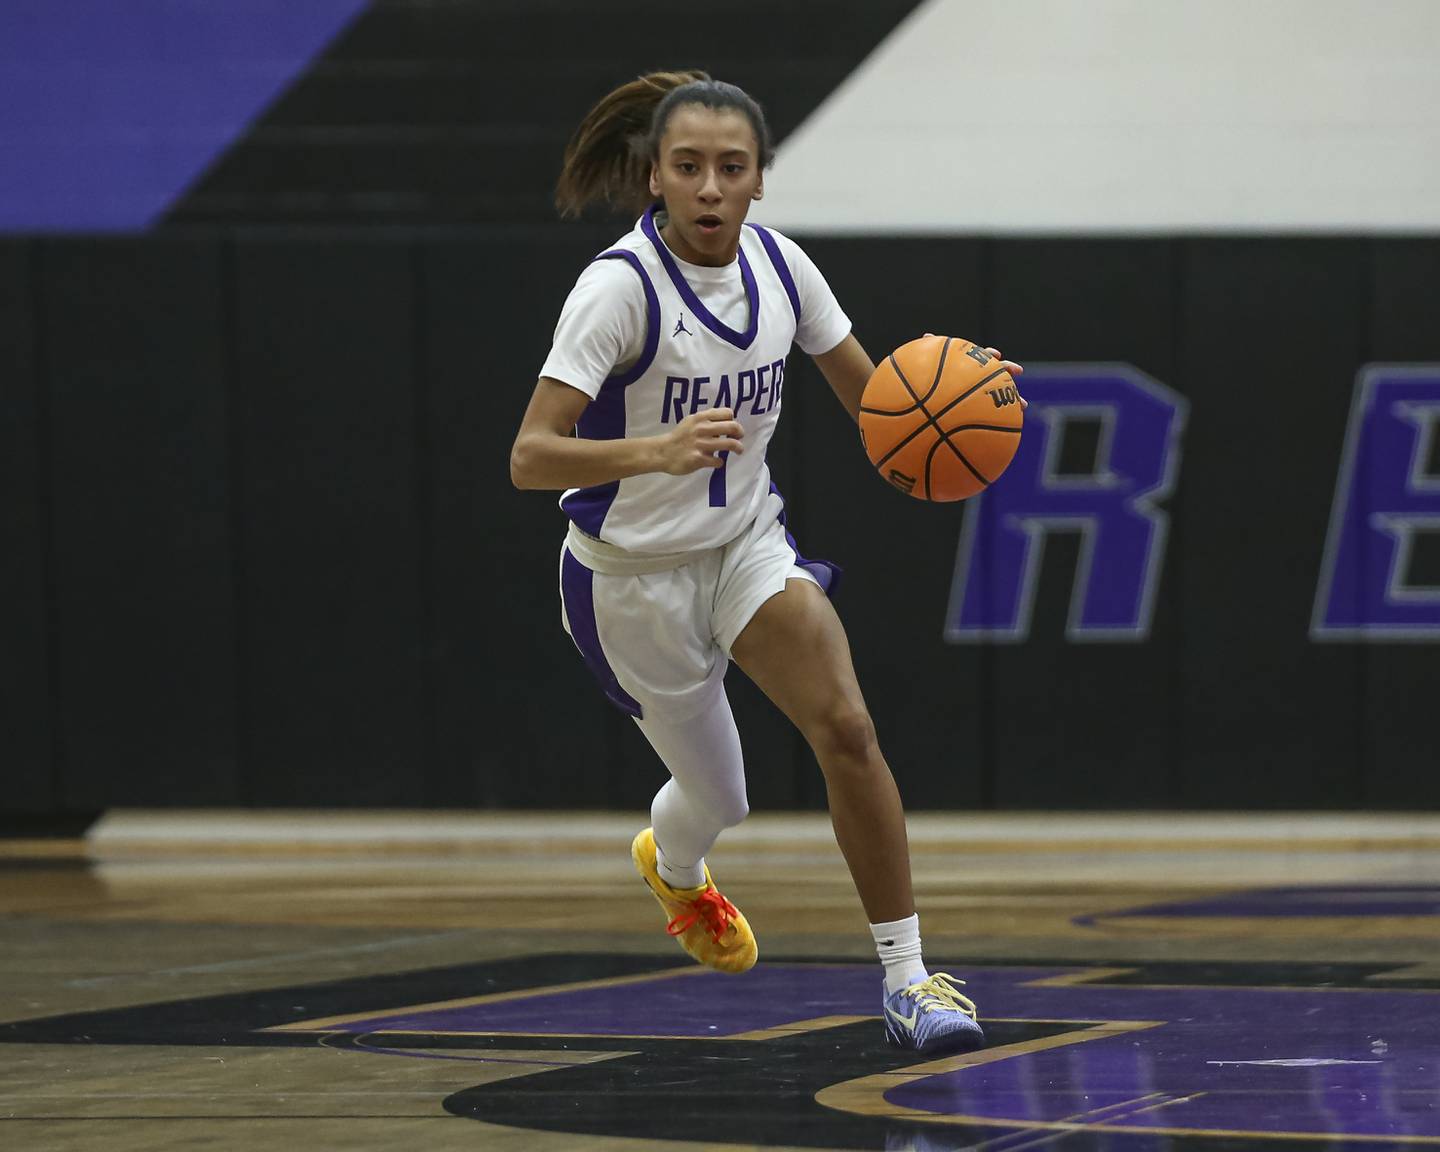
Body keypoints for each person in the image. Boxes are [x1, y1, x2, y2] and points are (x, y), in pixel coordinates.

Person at [510, 70, 1023, 1056]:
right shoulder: (617, 291)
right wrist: (652, 452)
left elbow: (882, 411)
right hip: (629, 581)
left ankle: (910, 981)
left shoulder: (784, 271)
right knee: (721, 800)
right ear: (654, 176)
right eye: (688, 167)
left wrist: (965, 399)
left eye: (730, 167)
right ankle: (675, 865)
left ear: (758, 179)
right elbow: (529, 457)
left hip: (746, 547)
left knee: (849, 729)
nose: (709, 188)